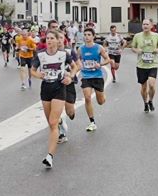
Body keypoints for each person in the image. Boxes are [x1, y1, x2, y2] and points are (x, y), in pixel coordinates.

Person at [31, 29, 78, 169]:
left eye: (52, 38)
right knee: (51, 124)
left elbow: (74, 67)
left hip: (59, 88)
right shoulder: (40, 55)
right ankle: (60, 126)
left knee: (52, 122)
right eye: (48, 38)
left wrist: (70, 77)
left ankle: (49, 156)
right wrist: (39, 75)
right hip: (46, 89)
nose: (49, 40)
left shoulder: (64, 54)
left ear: (58, 40)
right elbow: (32, 70)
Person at [78, 27, 112, 131]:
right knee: (87, 97)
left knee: (100, 101)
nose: (87, 37)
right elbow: (77, 60)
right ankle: (92, 122)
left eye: (89, 35)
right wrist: (80, 65)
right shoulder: (81, 49)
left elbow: (108, 60)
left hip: (97, 76)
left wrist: (100, 64)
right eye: (85, 35)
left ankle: (103, 96)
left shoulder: (99, 48)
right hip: (86, 76)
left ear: (93, 36)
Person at [130, 19, 158, 113]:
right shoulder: (137, 36)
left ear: (151, 25)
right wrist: (137, 51)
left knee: (151, 84)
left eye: (147, 24)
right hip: (141, 65)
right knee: (143, 87)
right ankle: (145, 102)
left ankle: (151, 100)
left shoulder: (156, 36)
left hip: (153, 64)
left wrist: (157, 49)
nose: (145, 26)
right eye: (144, 24)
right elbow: (132, 47)